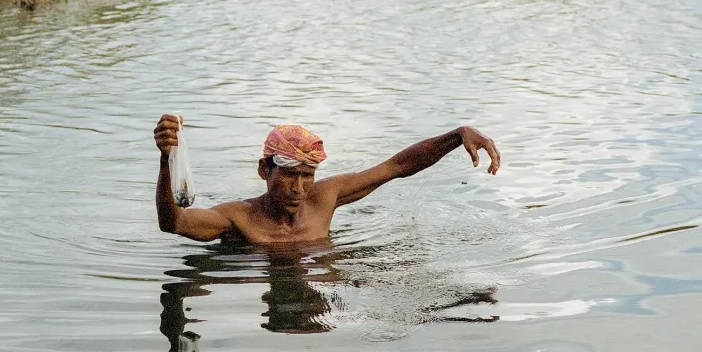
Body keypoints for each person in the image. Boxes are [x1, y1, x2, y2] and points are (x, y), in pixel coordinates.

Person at [153, 117, 501, 247]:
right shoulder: (237, 218)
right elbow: (174, 223)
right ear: (264, 171)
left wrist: (457, 135)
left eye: (307, 176)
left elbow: (397, 165)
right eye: (288, 175)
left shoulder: (324, 198)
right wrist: (166, 160)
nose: (299, 188)